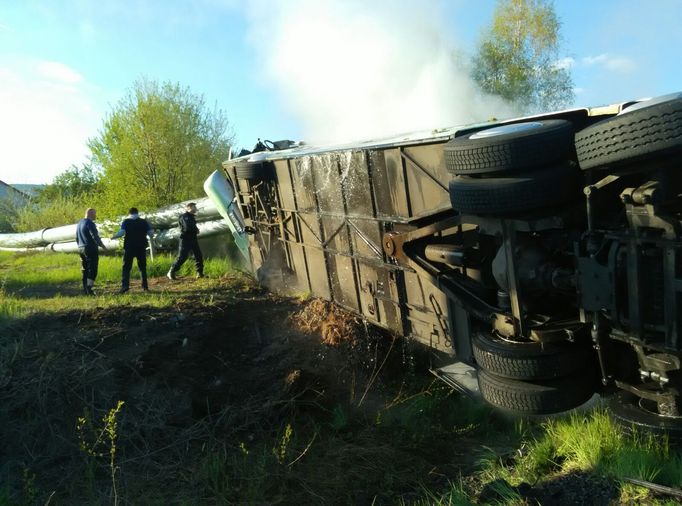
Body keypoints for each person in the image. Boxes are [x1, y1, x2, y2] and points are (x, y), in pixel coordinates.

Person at [111, 207, 154, 293]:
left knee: (126, 267)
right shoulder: (143, 222)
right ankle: (145, 287)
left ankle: (125, 286)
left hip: (129, 247)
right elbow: (151, 233)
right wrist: (151, 234)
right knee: (142, 267)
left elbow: (122, 232)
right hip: (141, 247)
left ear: (129, 213)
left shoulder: (126, 221)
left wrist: (113, 237)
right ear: (137, 213)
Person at [167, 202, 204, 280]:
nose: (195, 208)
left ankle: (199, 273)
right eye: (194, 207)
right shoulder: (184, 217)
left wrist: (196, 229)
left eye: (195, 207)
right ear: (188, 208)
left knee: (198, 256)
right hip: (185, 239)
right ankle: (171, 271)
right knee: (182, 257)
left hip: (193, 239)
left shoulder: (192, 217)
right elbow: (187, 227)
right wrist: (195, 230)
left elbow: (192, 226)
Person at [76, 208, 107, 295]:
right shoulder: (90, 223)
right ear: (90, 214)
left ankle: (85, 289)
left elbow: (77, 238)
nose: (95, 216)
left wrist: (80, 246)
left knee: (85, 269)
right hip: (90, 248)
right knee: (93, 268)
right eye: (94, 214)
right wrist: (102, 245)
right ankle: (89, 288)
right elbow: (94, 235)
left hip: (81, 248)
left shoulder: (79, 223)